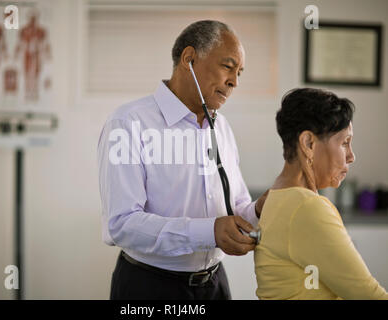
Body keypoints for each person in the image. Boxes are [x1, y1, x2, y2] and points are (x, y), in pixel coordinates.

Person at [97, 20, 267, 300]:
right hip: (151, 287)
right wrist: (208, 231)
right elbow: (122, 224)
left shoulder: (221, 127)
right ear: (189, 59)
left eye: (239, 73)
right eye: (228, 66)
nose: (234, 82)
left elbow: (235, 208)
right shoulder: (128, 123)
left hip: (214, 285)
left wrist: (259, 209)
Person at [254, 88, 388, 300]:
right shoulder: (307, 207)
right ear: (308, 143)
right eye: (344, 142)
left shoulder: (276, 197)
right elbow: (368, 296)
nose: (351, 156)